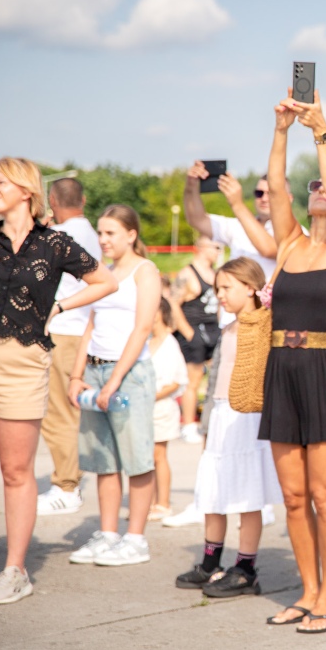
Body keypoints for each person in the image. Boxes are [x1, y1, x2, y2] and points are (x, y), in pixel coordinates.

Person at [0, 158, 115, 605]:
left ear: (26, 190)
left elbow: (104, 281)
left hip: (22, 360)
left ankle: (15, 570)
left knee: (17, 473)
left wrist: (58, 309)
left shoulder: (55, 244)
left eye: (0, 182)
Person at [260, 89, 326, 633]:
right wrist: (282, 130)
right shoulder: (288, 244)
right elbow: (276, 186)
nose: (321, 191)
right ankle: (306, 591)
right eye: (316, 187)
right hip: (282, 370)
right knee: (293, 494)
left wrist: (320, 130)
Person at [176, 257, 282, 598]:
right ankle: (211, 561)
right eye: (218, 287)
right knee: (214, 491)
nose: (219, 294)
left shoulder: (265, 325)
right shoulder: (228, 327)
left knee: (248, 493)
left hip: (248, 417)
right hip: (221, 415)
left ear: (251, 288)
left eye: (227, 288)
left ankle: (246, 566)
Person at [67, 205, 161, 567]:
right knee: (103, 459)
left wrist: (115, 380)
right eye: (101, 233)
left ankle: (135, 539)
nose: (103, 240)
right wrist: (77, 376)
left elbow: (142, 328)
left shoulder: (145, 271)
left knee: (136, 459)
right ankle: (108, 534)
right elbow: (90, 326)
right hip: (95, 372)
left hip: (130, 377)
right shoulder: (101, 273)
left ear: (131, 235)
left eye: (111, 233)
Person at [37, 177, 105, 516]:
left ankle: (66, 485)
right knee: (74, 412)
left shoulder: (58, 238)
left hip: (62, 330)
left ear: (53, 200)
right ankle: (70, 479)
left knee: (58, 414)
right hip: (86, 331)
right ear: (85, 198)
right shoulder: (95, 234)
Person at [184, 165, 280, 278]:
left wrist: (237, 204)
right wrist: (191, 187)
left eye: (271, 193)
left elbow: (269, 249)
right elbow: (197, 220)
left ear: (289, 198)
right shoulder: (238, 226)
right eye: (259, 193)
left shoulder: (296, 233)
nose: (264, 199)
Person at [170, 235, 221, 444]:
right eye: (215, 247)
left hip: (213, 329)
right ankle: (188, 424)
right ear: (201, 248)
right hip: (194, 329)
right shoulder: (188, 274)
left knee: (217, 379)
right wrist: (188, 333)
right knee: (194, 380)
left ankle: (210, 421)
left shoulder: (215, 274)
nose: (218, 251)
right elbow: (173, 303)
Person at [148, 297, 187, 521]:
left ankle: (163, 503)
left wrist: (150, 396)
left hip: (161, 407)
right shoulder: (146, 341)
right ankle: (151, 501)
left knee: (159, 456)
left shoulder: (169, 343)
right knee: (147, 458)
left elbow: (176, 381)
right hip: (145, 407)